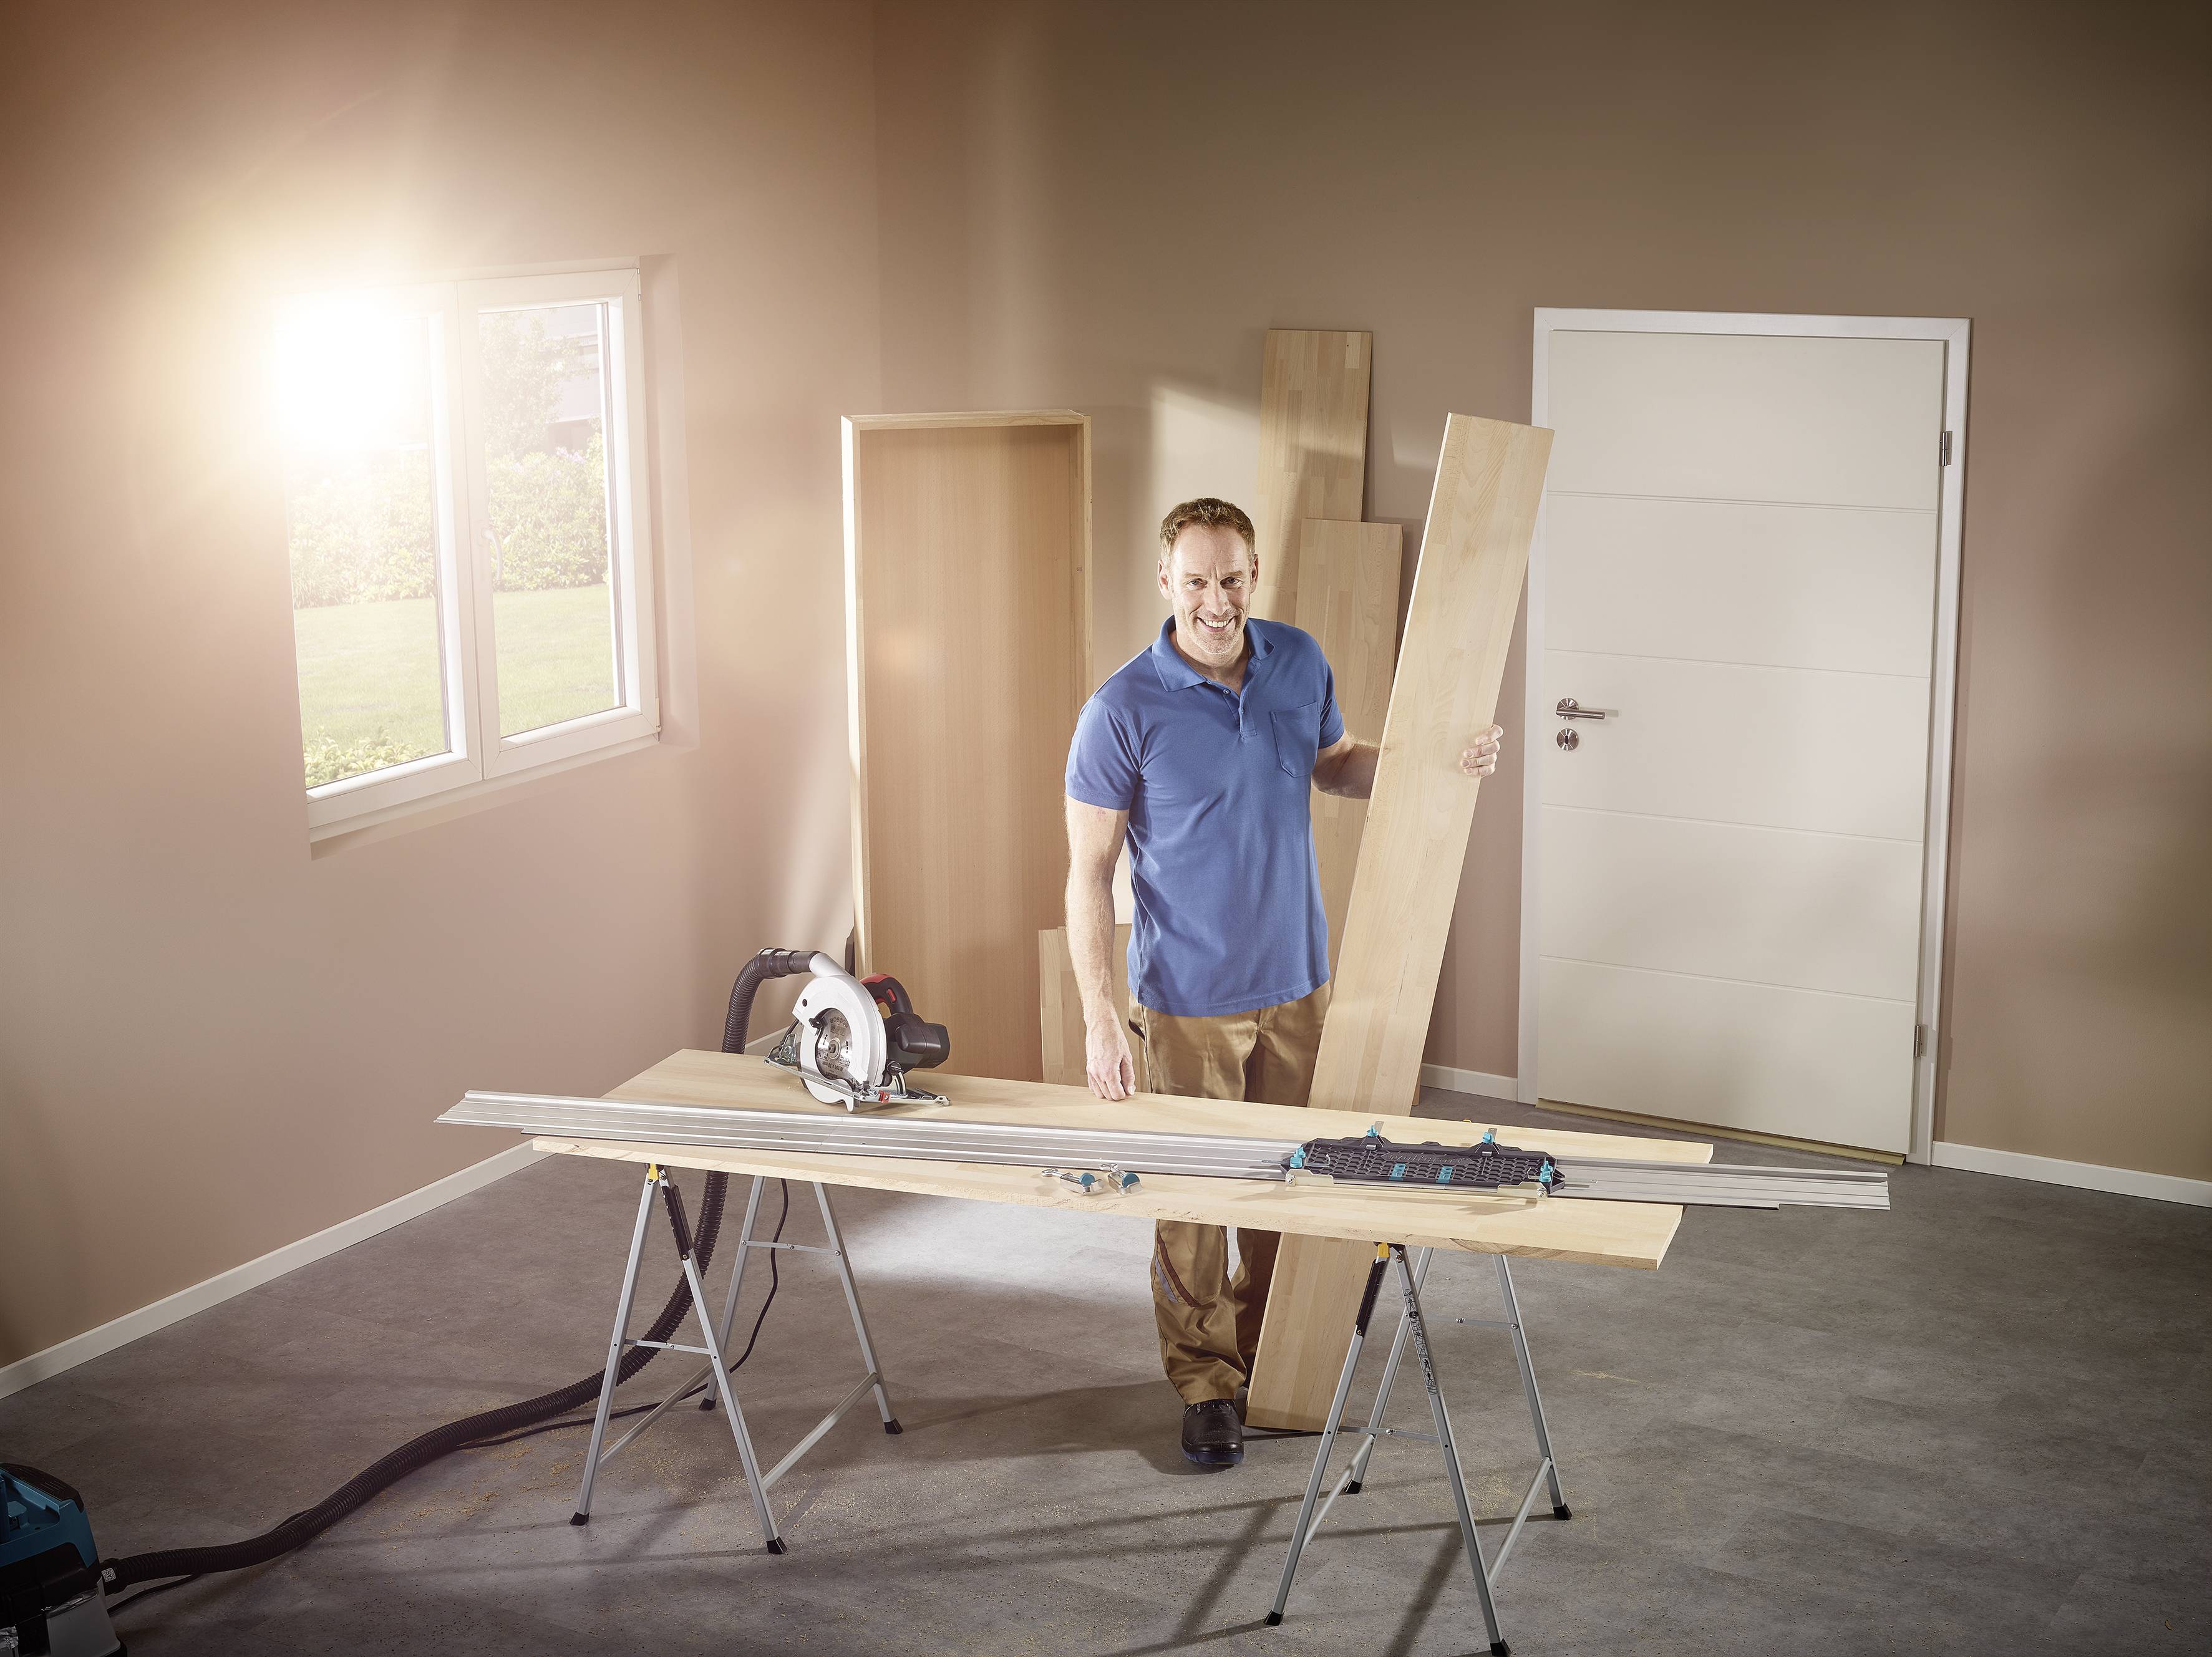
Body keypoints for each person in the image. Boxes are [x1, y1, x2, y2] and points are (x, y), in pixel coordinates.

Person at [1062, 496, 1503, 1469]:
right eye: (1195, 581)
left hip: (1300, 981)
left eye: (1231, 578)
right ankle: (1206, 1383)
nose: (1215, 601)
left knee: (1290, 1182)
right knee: (1190, 1202)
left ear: (1253, 575)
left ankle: (1273, 1355)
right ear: (1165, 583)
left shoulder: (1298, 660)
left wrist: (1434, 764)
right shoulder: (1121, 708)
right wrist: (1101, 1019)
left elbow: (1336, 764)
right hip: (1185, 1000)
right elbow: (1087, 874)